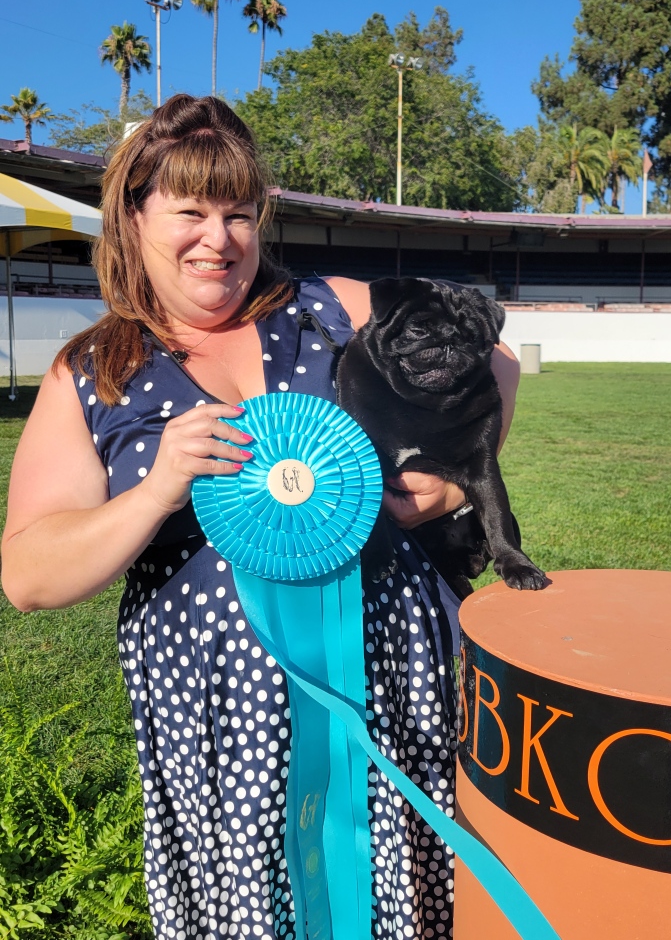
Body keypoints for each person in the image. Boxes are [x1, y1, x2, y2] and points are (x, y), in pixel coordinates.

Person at [1, 95, 520, 940]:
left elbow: (494, 358)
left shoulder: (329, 307)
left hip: (391, 687)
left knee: (403, 892)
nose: (219, 238)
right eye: (191, 211)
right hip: (220, 718)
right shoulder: (92, 372)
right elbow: (28, 575)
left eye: (239, 214)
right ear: (134, 217)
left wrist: (452, 488)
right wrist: (155, 490)